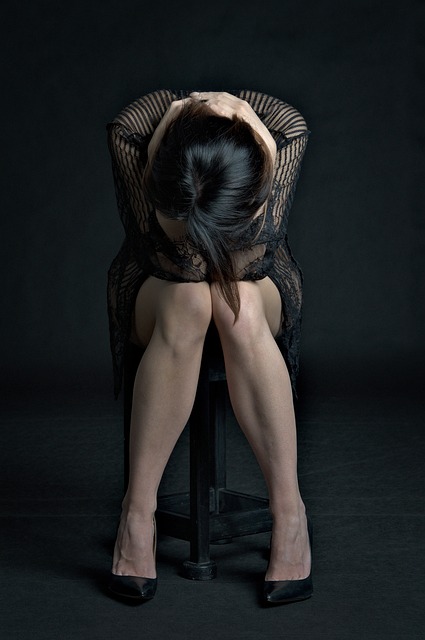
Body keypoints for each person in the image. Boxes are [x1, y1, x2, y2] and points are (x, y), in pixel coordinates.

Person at [106, 89, 311, 605]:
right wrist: (156, 158)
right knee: (193, 301)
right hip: (161, 284)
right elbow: (170, 259)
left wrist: (264, 146)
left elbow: (252, 258)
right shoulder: (132, 131)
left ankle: (290, 517)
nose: (203, 239)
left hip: (255, 277)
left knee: (235, 302)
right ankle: (137, 514)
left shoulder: (285, 131)